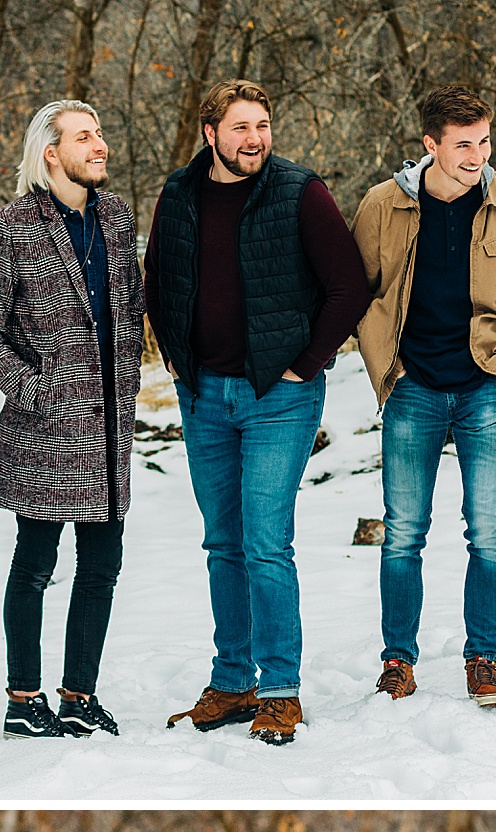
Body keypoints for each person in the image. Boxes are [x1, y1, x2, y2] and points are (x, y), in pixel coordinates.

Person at [146, 81, 370, 746]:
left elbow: (348, 286)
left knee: (266, 544)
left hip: (279, 397)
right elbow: (159, 277)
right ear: (209, 132)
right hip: (204, 396)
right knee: (223, 545)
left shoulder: (299, 192)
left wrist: (305, 362)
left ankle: (279, 691)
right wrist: (176, 357)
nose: (255, 138)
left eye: (263, 125)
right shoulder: (179, 194)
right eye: (241, 127)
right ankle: (232, 681)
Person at [351, 85, 496, 710]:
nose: (478, 155)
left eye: (485, 141)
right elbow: (351, 290)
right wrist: (380, 366)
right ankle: (397, 662)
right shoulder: (383, 207)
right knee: (402, 535)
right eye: (464, 144)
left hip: (484, 391)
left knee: (489, 533)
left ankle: (483, 658)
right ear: (431, 145)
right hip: (412, 388)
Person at [0, 101, 145, 741]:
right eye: (85, 137)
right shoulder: (9, 228)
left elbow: (130, 308)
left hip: (108, 428)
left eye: (100, 134)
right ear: (50, 152)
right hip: (43, 428)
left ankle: (79, 696)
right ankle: (23, 700)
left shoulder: (118, 219)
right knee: (35, 565)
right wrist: (35, 388)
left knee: (103, 566)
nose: (100, 146)